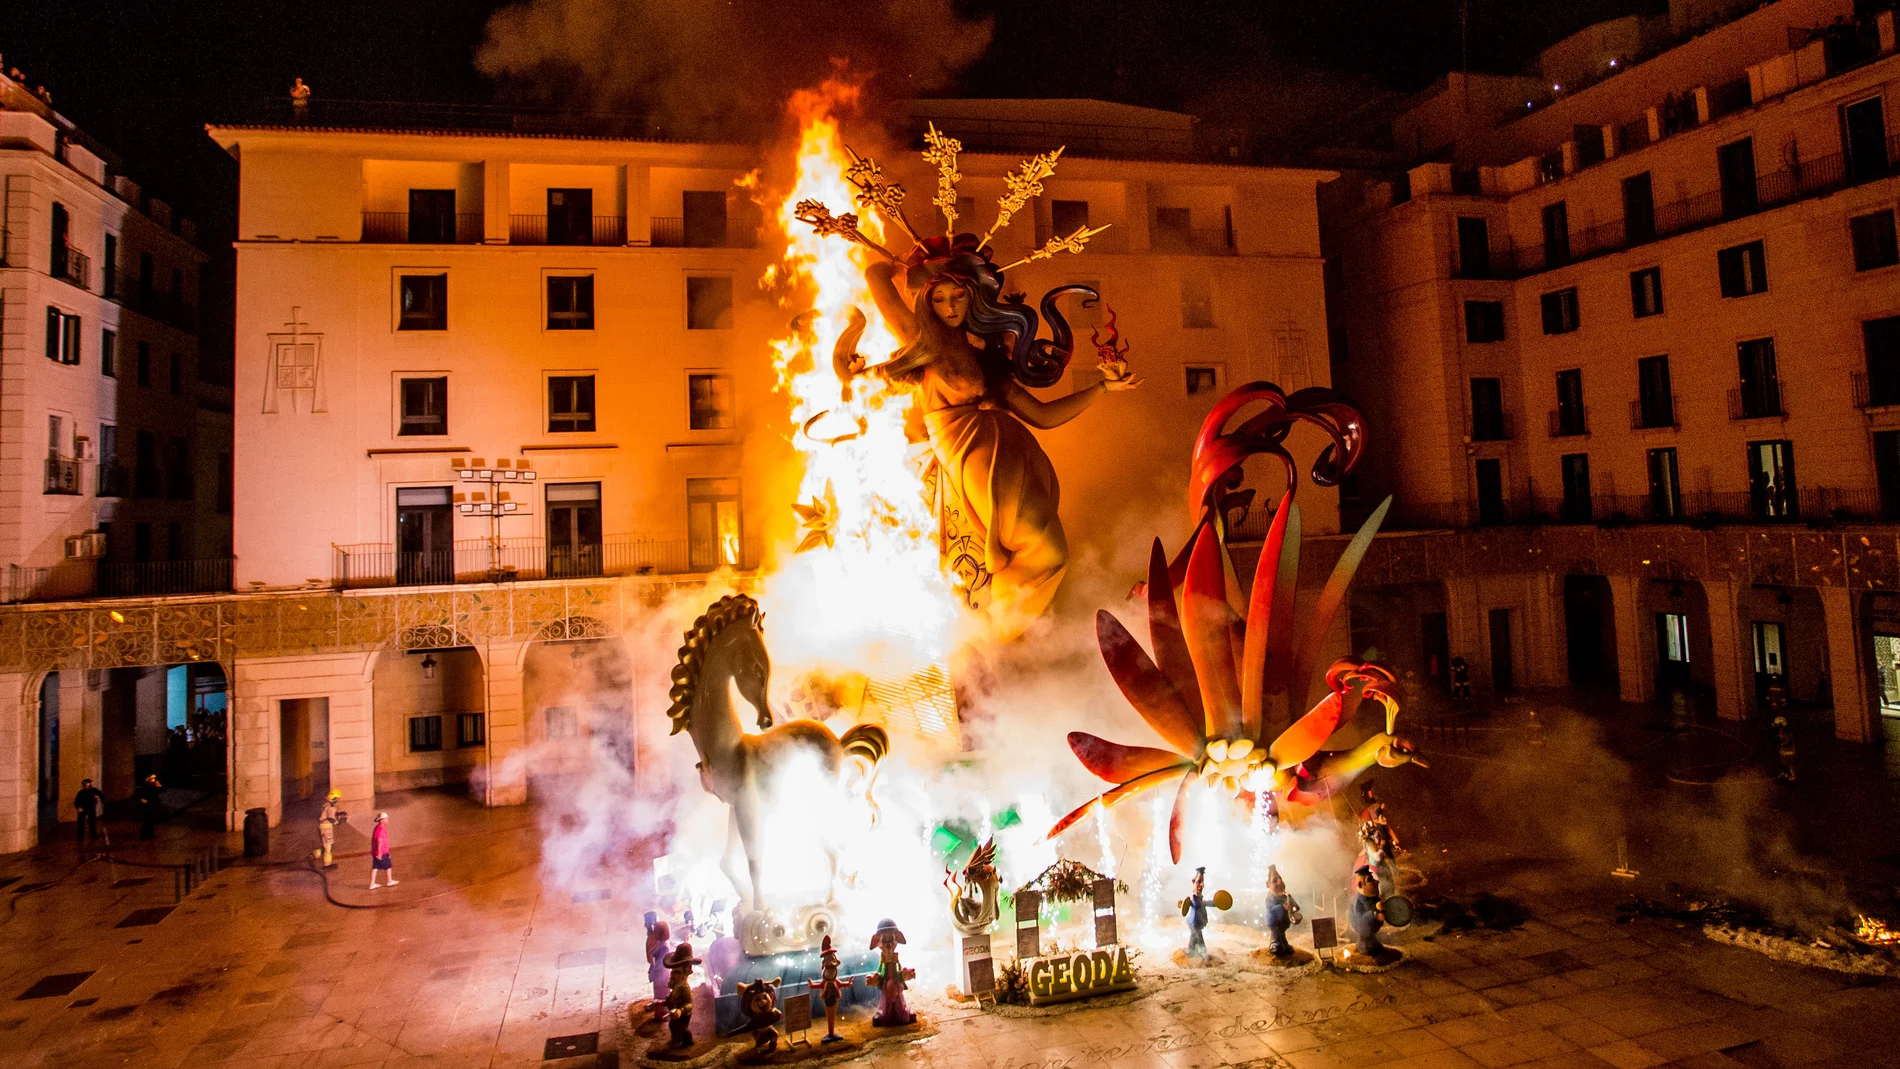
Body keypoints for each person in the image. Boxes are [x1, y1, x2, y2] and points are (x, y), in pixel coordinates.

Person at [851, 237, 1139, 632]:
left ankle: (1002, 634)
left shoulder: (987, 362)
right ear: (927, 303)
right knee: (1044, 548)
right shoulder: (924, 343)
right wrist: (899, 266)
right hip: (967, 452)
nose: (950, 307)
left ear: (974, 299)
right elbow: (876, 281)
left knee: (1048, 551)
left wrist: (1103, 388)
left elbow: (1043, 415)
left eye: (959, 296)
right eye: (939, 299)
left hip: (1003, 452)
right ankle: (996, 633)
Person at [866, 918, 915, 1027]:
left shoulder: (895, 959)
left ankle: (903, 1011)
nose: (888, 944)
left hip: (896, 985)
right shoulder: (883, 960)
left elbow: (899, 972)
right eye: (885, 939)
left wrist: (905, 975)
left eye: (891, 938)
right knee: (885, 1000)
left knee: (899, 999)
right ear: (878, 940)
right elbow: (880, 972)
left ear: (897, 938)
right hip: (886, 986)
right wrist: (876, 979)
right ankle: (882, 1013)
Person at [1264, 864, 1302, 958]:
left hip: (1284, 922)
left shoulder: (1285, 896)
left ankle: (1284, 944)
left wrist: (1294, 908)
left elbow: (1294, 905)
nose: (1279, 883)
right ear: (1268, 884)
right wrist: (1282, 907)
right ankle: (1275, 944)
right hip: (1275, 922)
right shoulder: (1270, 898)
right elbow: (1271, 910)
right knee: (1276, 934)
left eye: (1279, 879)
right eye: (1274, 881)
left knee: (1282, 934)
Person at [1180, 866, 1211, 960]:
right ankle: (1203, 952)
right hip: (1194, 922)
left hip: (1198, 922)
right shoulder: (1194, 899)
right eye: (1198, 882)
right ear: (1193, 882)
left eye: (1202, 882)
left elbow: (1206, 903)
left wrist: (1216, 903)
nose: (1201, 885)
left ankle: (1190, 951)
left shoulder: (1200, 899)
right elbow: (1187, 904)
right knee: (1199, 936)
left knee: (1194, 937)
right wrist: (1182, 904)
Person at [312, 789, 344, 868]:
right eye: (337, 798)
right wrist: (339, 821)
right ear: (334, 798)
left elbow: (326, 814)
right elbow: (331, 819)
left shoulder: (325, 804)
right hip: (326, 829)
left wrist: (338, 814)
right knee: (328, 847)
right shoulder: (331, 807)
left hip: (322, 827)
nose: (338, 800)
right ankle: (327, 865)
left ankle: (313, 855)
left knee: (327, 846)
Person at [368, 812, 397, 889]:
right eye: (386, 818)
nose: (387, 820)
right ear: (381, 820)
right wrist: (380, 853)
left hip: (377, 852)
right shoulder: (380, 829)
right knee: (388, 866)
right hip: (381, 852)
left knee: (375, 867)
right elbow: (379, 841)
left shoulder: (378, 828)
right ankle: (389, 881)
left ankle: (372, 884)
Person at [73, 778, 103, 844]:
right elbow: (76, 801)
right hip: (83, 809)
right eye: (86, 785)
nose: (87, 786)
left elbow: (100, 794)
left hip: (91, 808)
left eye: (88, 784)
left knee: (92, 822)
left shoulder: (93, 790)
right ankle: (80, 837)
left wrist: (102, 799)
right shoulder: (81, 793)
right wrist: (78, 807)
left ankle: (93, 835)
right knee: (81, 823)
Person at [134, 774, 163, 840]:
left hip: (153, 805)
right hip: (148, 806)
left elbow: (158, 792)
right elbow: (141, 796)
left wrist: (159, 786)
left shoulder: (154, 786)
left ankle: (150, 834)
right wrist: (143, 800)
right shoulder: (145, 787)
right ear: (148, 780)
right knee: (147, 821)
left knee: (152, 821)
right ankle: (143, 836)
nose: (154, 780)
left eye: (154, 778)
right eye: (152, 778)